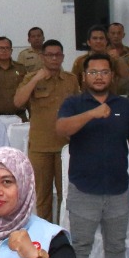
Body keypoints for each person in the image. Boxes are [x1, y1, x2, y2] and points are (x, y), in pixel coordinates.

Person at [57, 52, 129, 258]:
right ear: (84, 76)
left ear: (112, 76)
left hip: (118, 190)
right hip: (84, 189)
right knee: (80, 247)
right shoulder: (74, 103)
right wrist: (92, 114)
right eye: (93, 72)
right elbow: (62, 129)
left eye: (104, 72)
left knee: (116, 246)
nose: (99, 77)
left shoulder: (125, 106)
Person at [13, 39, 80, 221]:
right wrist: (36, 79)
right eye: (49, 55)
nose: (54, 59)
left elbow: (78, 107)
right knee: (42, 196)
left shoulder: (71, 79)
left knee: (66, 193)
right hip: (40, 146)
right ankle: (46, 231)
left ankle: (63, 230)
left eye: (57, 55)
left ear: (63, 57)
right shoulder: (31, 78)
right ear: (42, 57)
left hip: (66, 145)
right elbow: (18, 102)